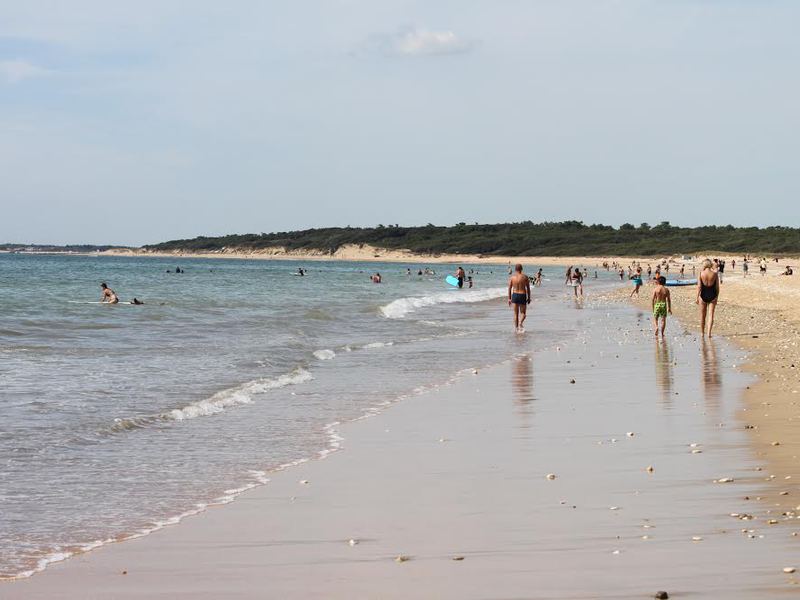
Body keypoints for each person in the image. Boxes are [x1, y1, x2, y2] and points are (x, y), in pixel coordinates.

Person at [697, 258, 720, 337]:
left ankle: (702, 333)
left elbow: (699, 287)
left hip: (703, 295)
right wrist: (717, 297)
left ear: (704, 264)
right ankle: (709, 333)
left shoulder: (701, 273)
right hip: (712, 295)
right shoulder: (715, 274)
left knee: (702, 316)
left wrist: (696, 297)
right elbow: (717, 287)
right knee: (711, 315)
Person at [508, 264, 531, 333]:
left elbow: (509, 288)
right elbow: (528, 288)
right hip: (522, 295)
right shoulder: (525, 277)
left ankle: (516, 329)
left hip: (514, 295)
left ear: (515, 269)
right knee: (523, 313)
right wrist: (529, 297)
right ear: (522, 269)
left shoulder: (512, 278)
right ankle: (520, 323)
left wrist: (509, 298)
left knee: (515, 314)